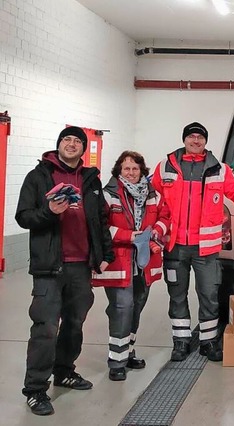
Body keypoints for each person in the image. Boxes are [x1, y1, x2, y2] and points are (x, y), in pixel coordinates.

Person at [15, 126, 114, 416]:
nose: (71, 144)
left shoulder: (91, 180)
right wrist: (50, 212)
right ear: (58, 144)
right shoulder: (39, 176)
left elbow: (100, 220)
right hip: (49, 267)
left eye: (77, 141)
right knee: (45, 328)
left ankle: (64, 371)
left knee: (74, 323)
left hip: (81, 266)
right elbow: (23, 216)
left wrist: (104, 255)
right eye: (66, 139)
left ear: (84, 149)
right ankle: (35, 389)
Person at [152, 122, 234, 363]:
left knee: (209, 295)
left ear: (205, 141)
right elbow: (153, 200)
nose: (196, 141)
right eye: (192, 137)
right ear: (184, 139)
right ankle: (181, 342)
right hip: (174, 246)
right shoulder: (165, 168)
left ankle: (209, 342)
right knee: (177, 295)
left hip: (206, 248)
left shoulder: (219, 169)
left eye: (200, 137)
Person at [92, 151, 170, 381]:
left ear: (142, 171)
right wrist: (130, 235)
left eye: (135, 168)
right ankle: (116, 361)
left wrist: (156, 230)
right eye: (126, 168)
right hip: (119, 260)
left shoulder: (153, 195)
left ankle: (127, 351)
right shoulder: (108, 195)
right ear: (119, 171)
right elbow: (100, 226)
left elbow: (165, 217)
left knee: (137, 305)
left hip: (144, 262)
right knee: (122, 306)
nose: (131, 172)